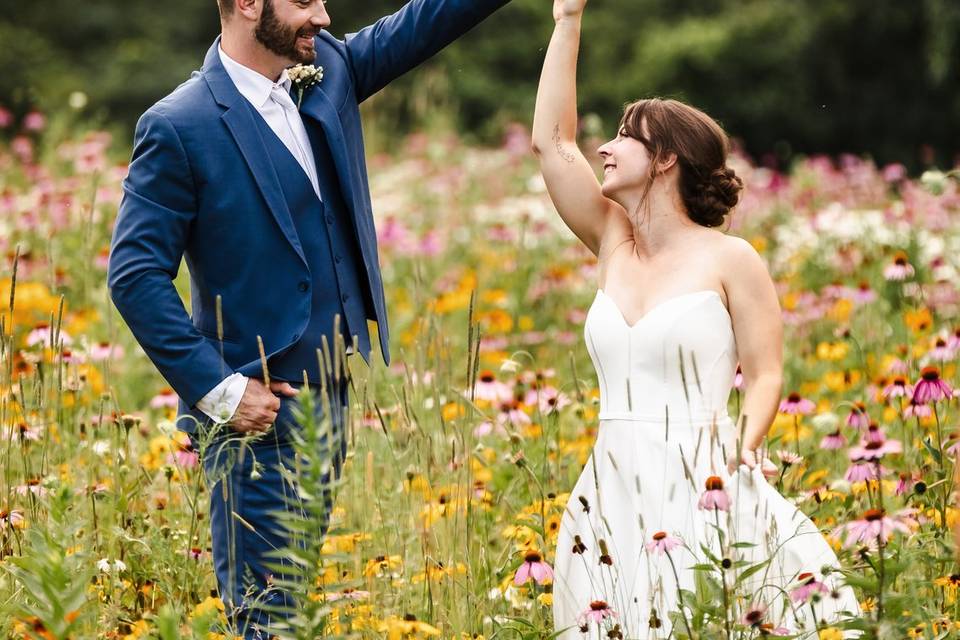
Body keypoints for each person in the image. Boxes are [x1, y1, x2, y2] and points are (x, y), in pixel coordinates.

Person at [107, 0, 511, 637]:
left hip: (333, 399)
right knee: (268, 615)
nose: (322, 15)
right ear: (247, 4)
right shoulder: (178, 125)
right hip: (257, 418)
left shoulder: (327, 69)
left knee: (294, 601)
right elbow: (134, 276)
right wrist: (224, 391)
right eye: (303, 2)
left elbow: (429, 17)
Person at [532, 0, 862, 636]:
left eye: (624, 136)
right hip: (610, 486)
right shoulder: (611, 243)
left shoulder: (732, 259)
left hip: (703, 477)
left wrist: (745, 445)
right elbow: (552, 141)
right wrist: (567, 17)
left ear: (664, 160)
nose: (605, 145)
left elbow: (766, 374)